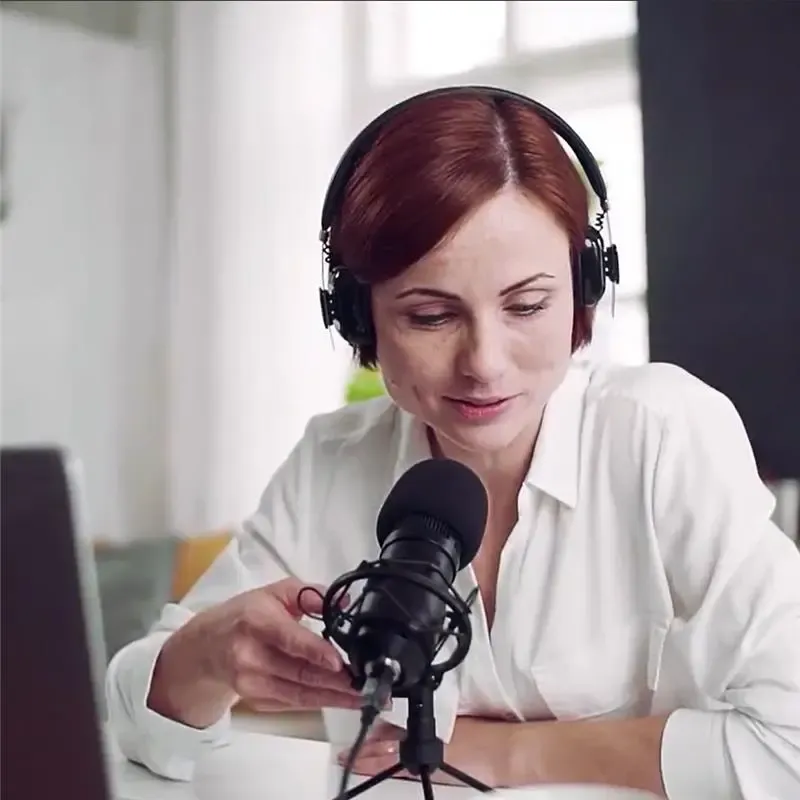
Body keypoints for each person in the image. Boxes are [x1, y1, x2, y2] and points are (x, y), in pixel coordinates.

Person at [106, 86, 800, 799]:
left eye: (527, 305)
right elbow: (135, 733)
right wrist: (204, 658)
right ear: (358, 318)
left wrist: (503, 754)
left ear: (586, 288)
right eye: (431, 315)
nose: (485, 363)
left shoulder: (662, 433)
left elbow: (791, 746)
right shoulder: (332, 463)